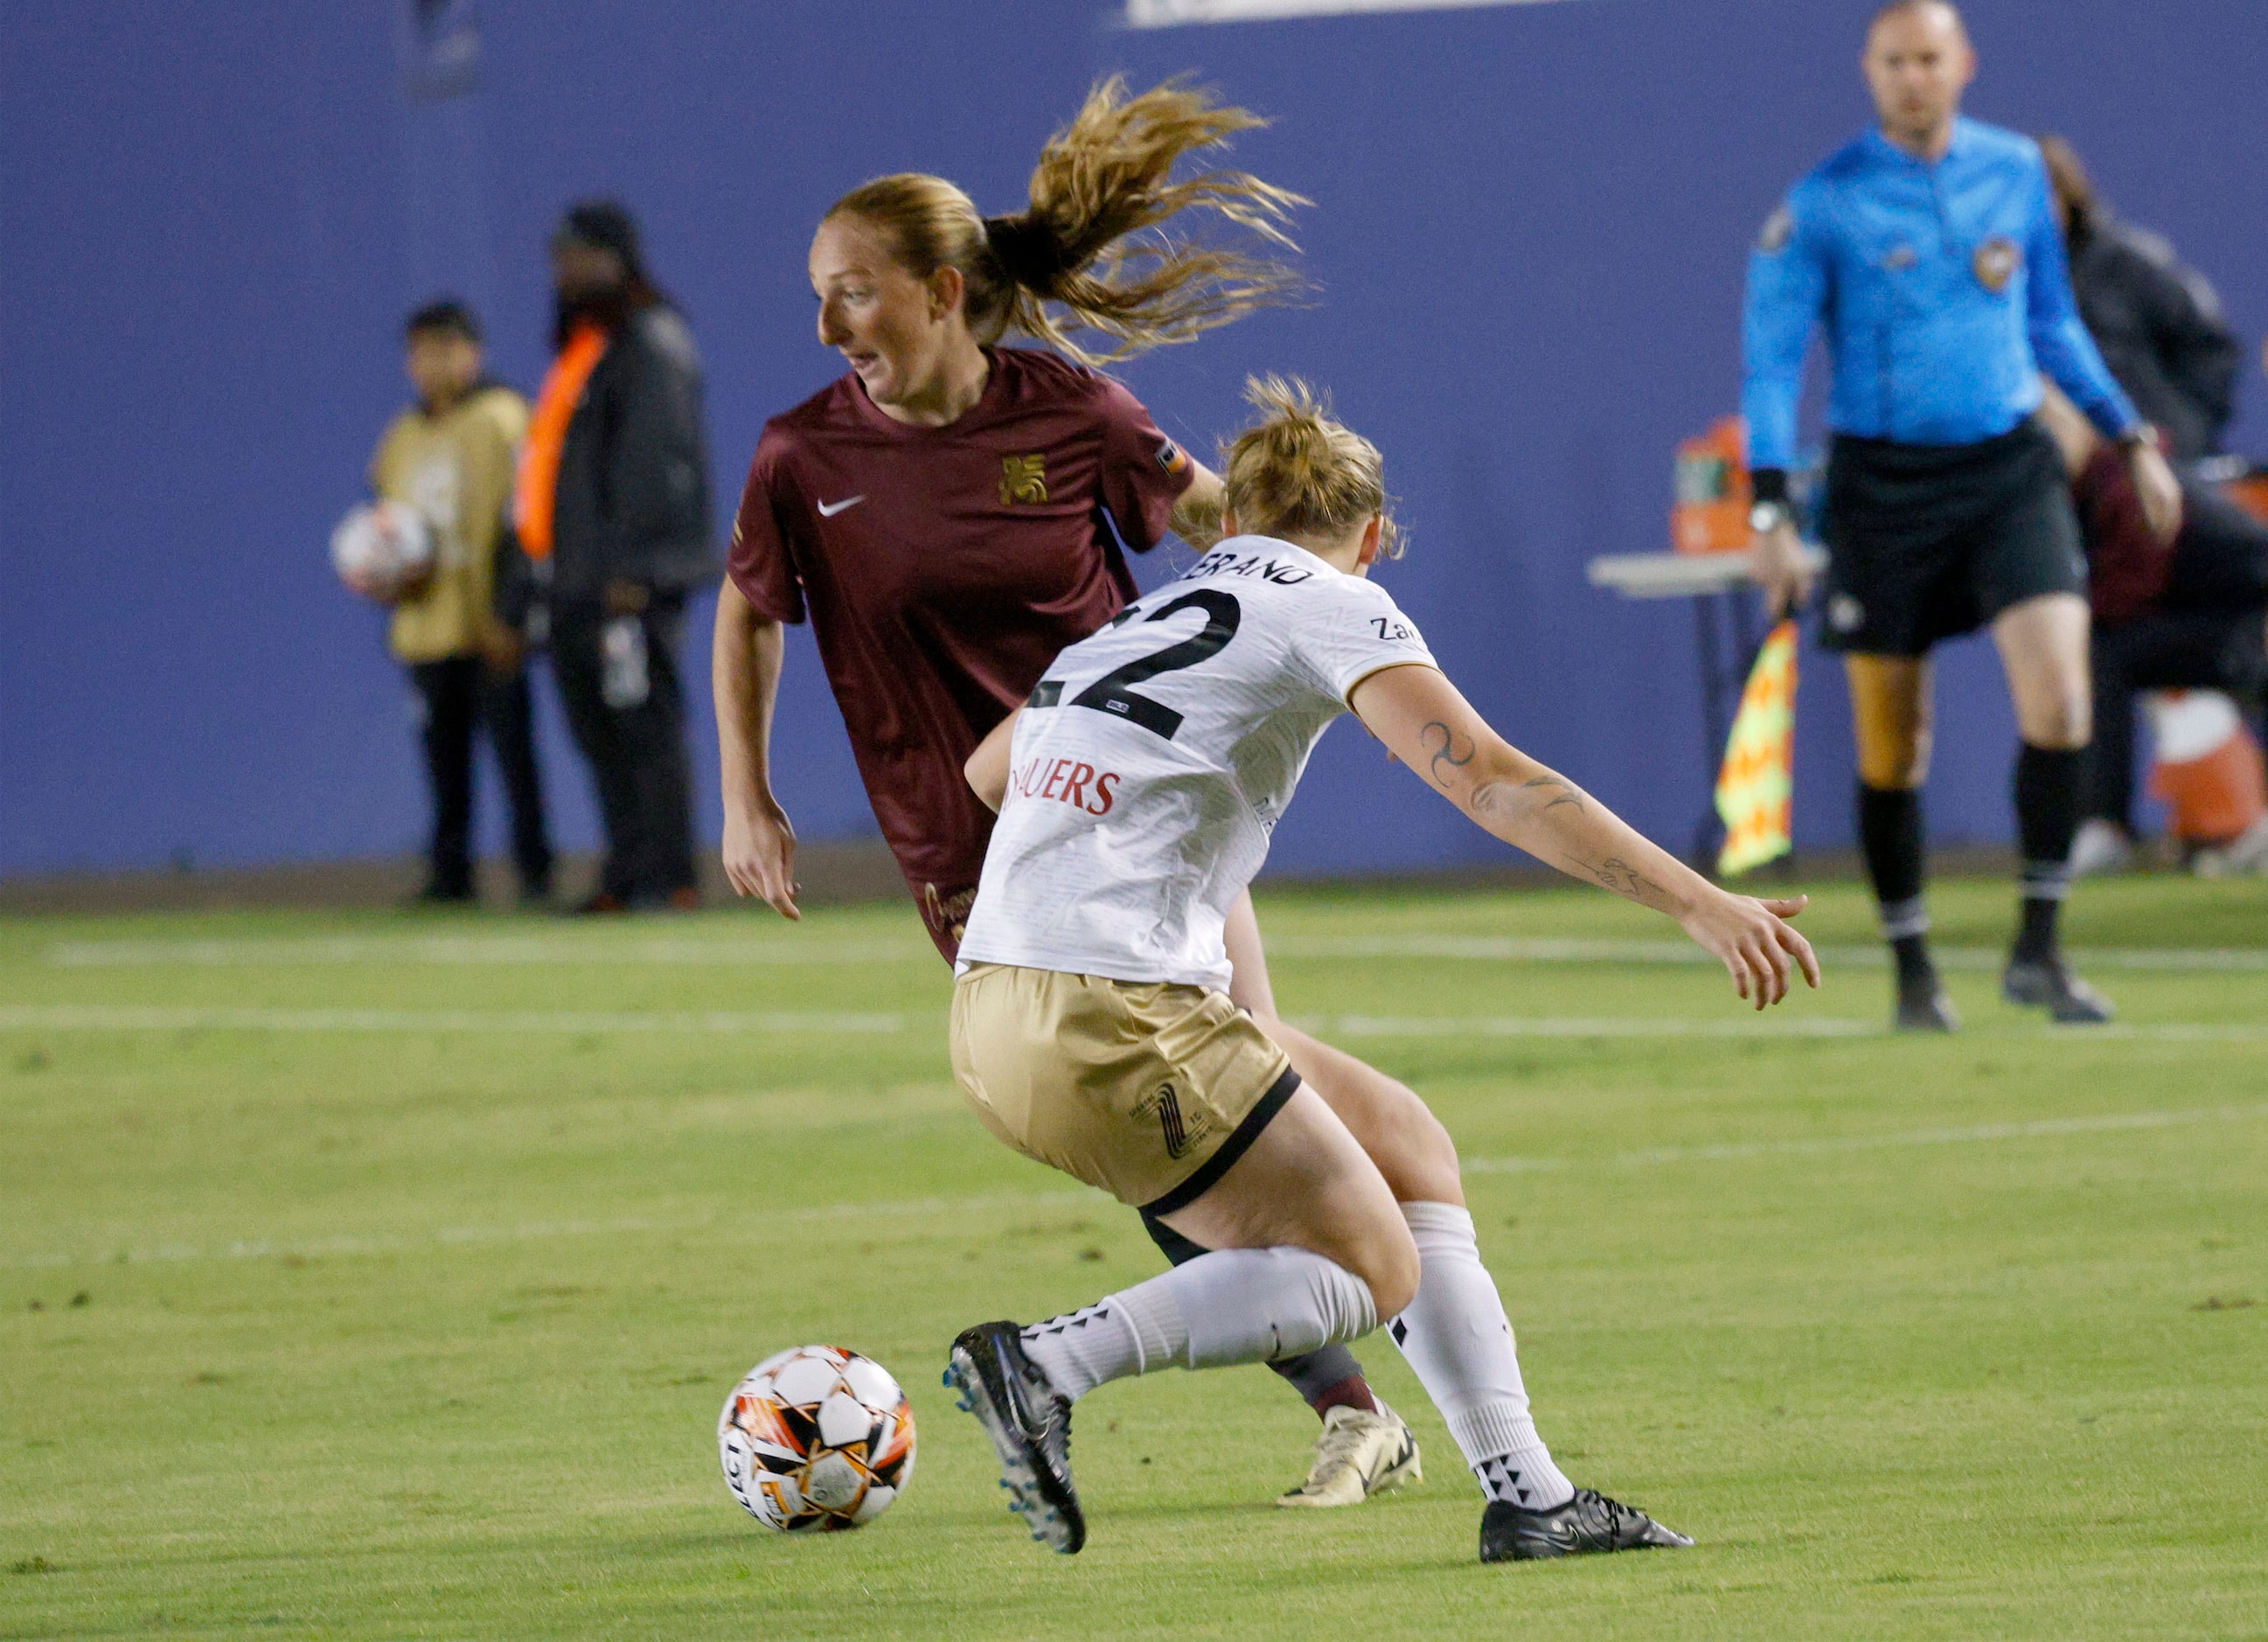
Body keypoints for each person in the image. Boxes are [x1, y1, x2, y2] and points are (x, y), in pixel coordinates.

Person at [943, 378, 1819, 1562]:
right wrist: (1695, 899)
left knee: (1404, 1141)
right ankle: (1044, 1362)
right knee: (1371, 1265)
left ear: (1232, 517)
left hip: (1003, 1002)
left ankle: (1532, 1497)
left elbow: (991, 774)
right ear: (1370, 536)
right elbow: (1493, 780)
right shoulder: (1334, 601)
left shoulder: (1143, 620)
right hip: (1109, 1008)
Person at [716, 78, 1437, 1506]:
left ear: (938, 292)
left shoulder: (1073, 412)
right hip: (972, 847)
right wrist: (746, 795)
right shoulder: (804, 457)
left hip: (1146, 813)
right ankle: (1368, 1381)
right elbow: (749, 612)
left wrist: (1332, 561)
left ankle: (1372, 1394)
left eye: (850, 294)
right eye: (815, 298)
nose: (823, 329)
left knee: (1227, 1084)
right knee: (1166, 1135)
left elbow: (1213, 519)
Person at [1743, 0, 2184, 1031]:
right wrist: (1769, 510)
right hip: (1881, 490)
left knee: (2062, 706)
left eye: (1928, 59)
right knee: (1896, 746)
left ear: (1962, 64)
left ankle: (2037, 949)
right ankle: (1910, 969)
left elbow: (2049, 323)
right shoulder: (1823, 202)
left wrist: (2127, 440)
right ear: (1868, 69)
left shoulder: (2014, 171)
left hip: (2007, 474)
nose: (1912, 77)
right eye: (1893, 61)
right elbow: (1770, 362)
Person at [520, 200, 715, 913]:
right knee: (600, 730)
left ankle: (671, 875)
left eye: (576, 256)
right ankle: (629, 871)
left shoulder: (649, 342)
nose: (562, 272)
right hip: (578, 584)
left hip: (627, 585)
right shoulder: (588, 348)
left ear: (616, 259)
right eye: (558, 257)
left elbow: (659, 468)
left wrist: (639, 570)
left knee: (643, 724)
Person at [2032, 385, 2268, 873]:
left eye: (2055, 425)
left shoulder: (2133, 478)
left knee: (2105, 653)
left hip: (2241, 623)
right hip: (2202, 628)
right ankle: (2105, 825)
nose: (2048, 441)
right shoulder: (2074, 494)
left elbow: (2249, 549)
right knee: (2105, 657)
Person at [369, 298, 553, 906]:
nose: (433, 365)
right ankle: (450, 875)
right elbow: (384, 526)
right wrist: (382, 574)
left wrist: (514, 611)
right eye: (422, 352)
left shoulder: (503, 418)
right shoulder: (401, 436)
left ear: (474, 353)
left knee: (513, 759)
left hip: (490, 623)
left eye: (446, 350)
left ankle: (534, 871)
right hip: (426, 627)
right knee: (442, 766)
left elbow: (524, 520)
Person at [2038, 136, 2242, 466]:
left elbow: (2211, 349)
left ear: (2067, 198)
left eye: (2041, 198)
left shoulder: (2130, 262)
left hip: (2159, 459)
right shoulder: (1998, 282)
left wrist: (2182, 436)